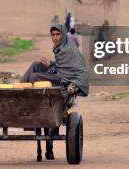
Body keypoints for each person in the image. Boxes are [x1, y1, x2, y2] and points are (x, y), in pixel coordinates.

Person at [21, 23, 89, 160]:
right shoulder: (59, 48)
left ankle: (23, 94)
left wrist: (74, 86)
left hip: (64, 84)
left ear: (63, 35)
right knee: (36, 65)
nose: (55, 37)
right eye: (53, 35)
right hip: (59, 77)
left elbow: (82, 72)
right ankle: (20, 91)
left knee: (35, 77)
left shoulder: (70, 50)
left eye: (58, 34)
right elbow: (61, 69)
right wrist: (51, 66)